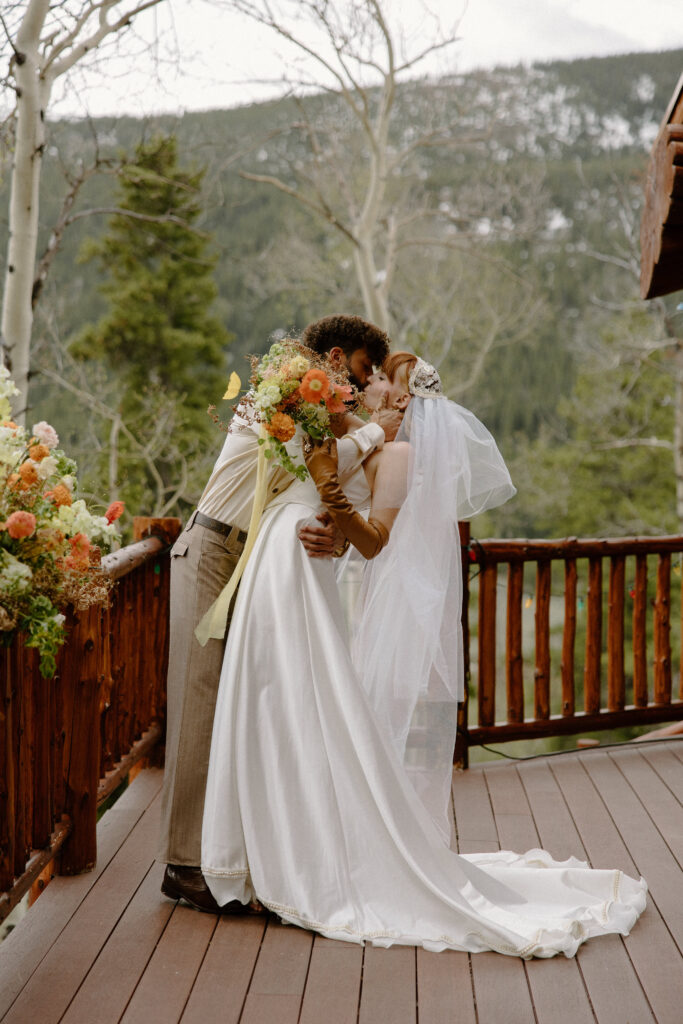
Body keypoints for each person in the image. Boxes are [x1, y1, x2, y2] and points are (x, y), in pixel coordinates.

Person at [200, 353, 647, 957]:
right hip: (278, 561)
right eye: (367, 377)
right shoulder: (343, 426)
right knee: (267, 696)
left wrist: (331, 510)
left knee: (300, 703)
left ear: (404, 398)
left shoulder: (400, 454)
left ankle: (296, 853)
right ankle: (254, 848)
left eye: (380, 378)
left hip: (300, 570)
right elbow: (296, 473)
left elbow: (373, 539)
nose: (366, 385)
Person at [159, 314, 402, 913]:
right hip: (215, 546)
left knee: (247, 699)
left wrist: (341, 538)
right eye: (365, 372)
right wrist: (378, 431)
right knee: (199, 701)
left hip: (259, 555)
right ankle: (183, 864)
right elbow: (315, 459)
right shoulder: (285, 390)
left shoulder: (314, 406)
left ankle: (239, 850)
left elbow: (313, 482)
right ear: (338, 357)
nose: (361, 384)